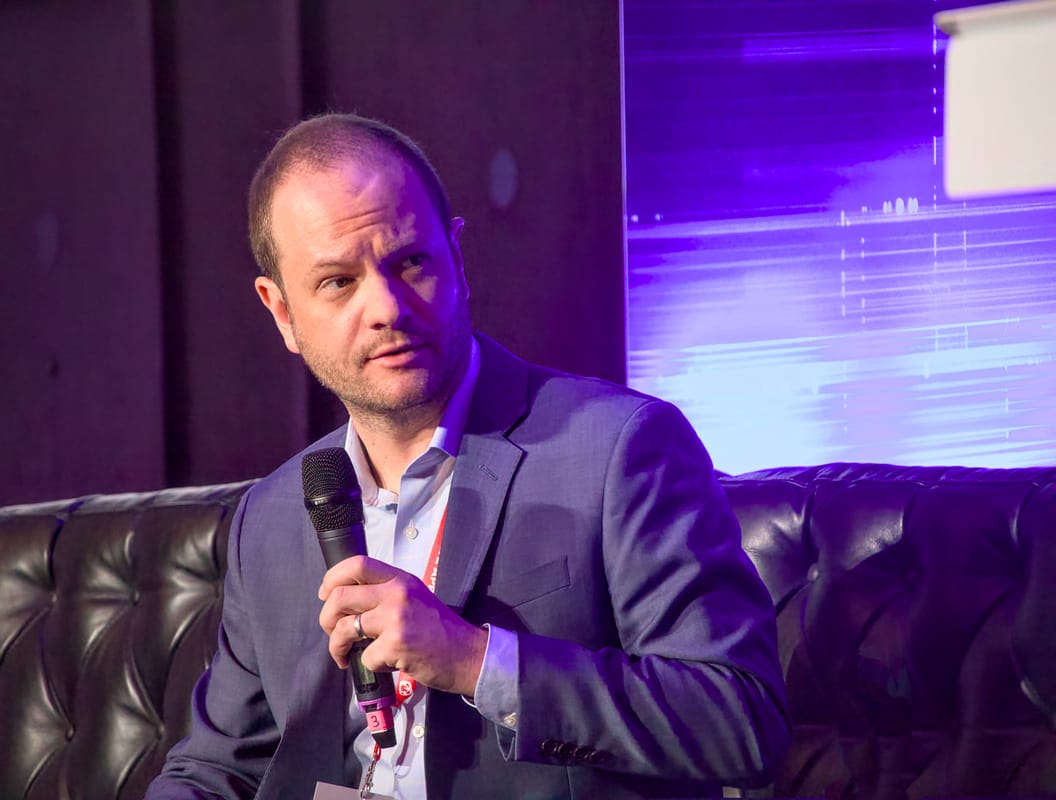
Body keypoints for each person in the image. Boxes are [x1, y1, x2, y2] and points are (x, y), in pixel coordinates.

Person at [145, 114, 788, 800]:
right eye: (337, 283)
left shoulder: (618, 448)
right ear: (281, 314)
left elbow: (739, 721)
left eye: (410, 261)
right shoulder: (269, 519)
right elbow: (216, 770)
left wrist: (475, 659)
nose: (386, 307)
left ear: (457, 257)